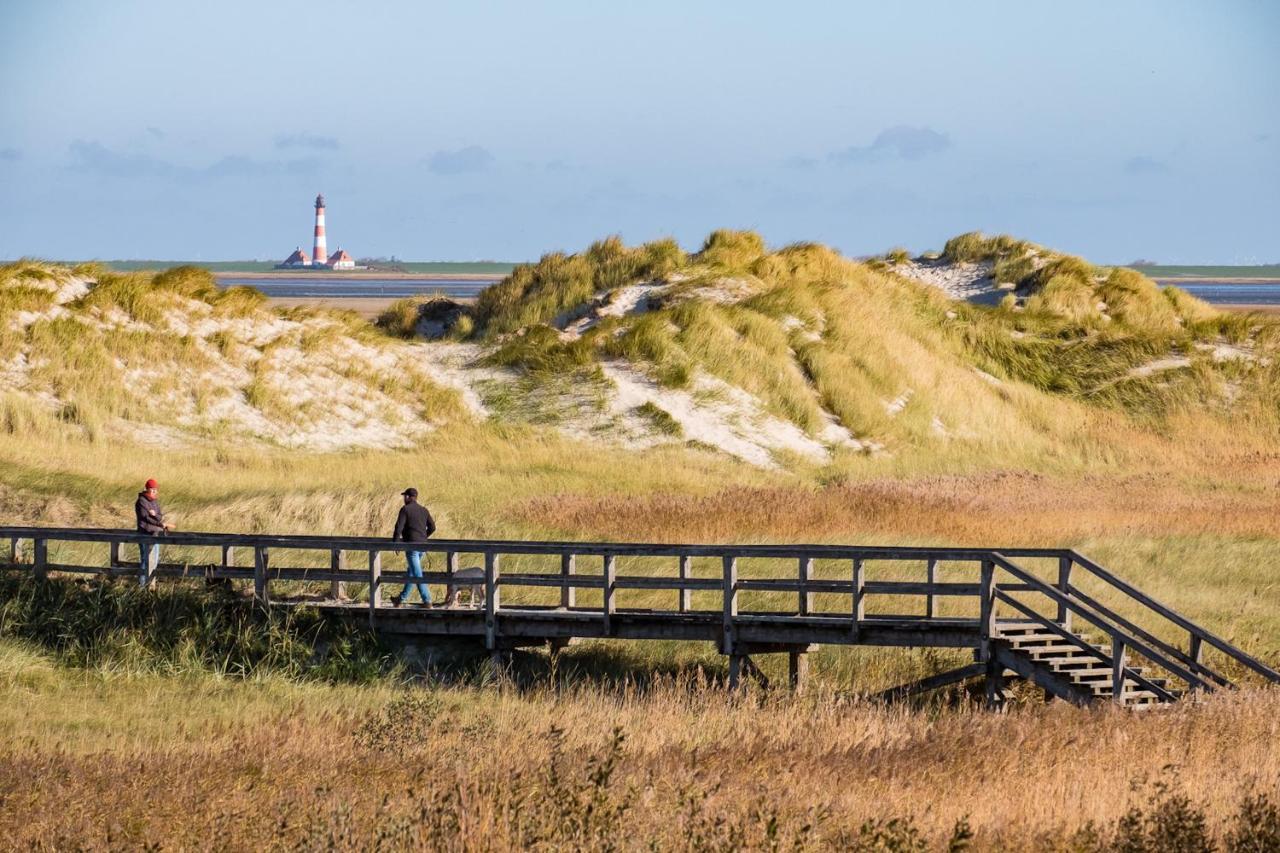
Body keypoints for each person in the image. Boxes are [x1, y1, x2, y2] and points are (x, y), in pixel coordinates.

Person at [390, 487, 436, 607]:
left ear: (408, 497)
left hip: (411, 546)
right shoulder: (424, 510)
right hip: (423, 546)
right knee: (412, 572)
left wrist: (395, 543)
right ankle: (400, 599)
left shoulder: (405, 510)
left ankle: (427, 600)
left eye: (404, 496)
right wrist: (423, 537)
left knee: (417, 573)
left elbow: (398, 527)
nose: (403, 498)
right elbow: (432, 527)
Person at [134, 478, 172, 585]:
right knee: (146, 560)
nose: (155, 492)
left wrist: (155, 515)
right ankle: (142, 585)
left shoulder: (154, 501)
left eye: (156, 489)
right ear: (147, 489)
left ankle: (150, 584)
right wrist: (158, 522)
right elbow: (145, 517)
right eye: (153, 489)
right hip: (145, 533)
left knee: (154, 560)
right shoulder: (141, 501)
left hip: (155, 534)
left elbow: (159, 516)